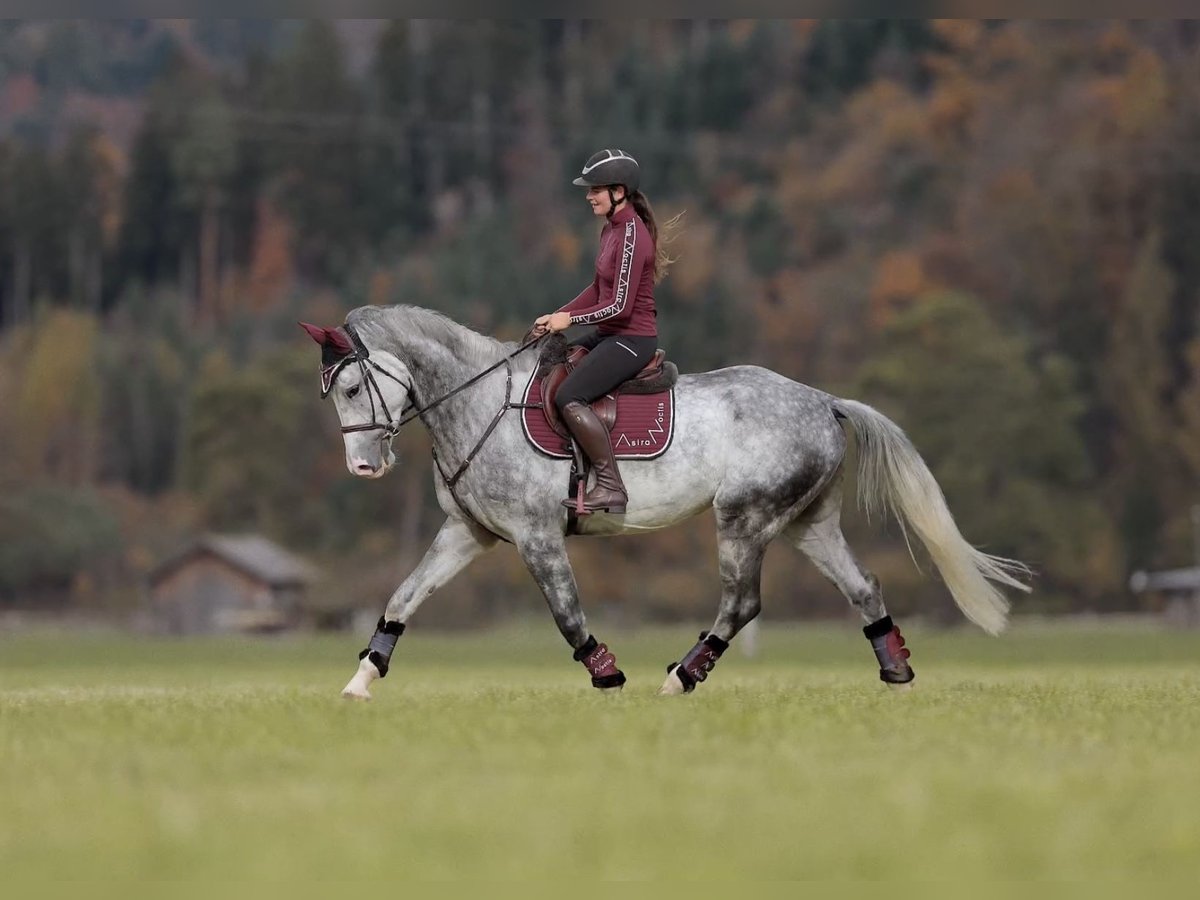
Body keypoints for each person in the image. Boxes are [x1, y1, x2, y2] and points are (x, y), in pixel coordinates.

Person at [532, 149, 673, 515]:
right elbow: (597, 290)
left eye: (595, 190)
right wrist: (557, 315)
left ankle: (611, 487)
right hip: (611, 334)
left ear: (619, 191)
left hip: (632, 340)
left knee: (569, 396)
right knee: (555, 364)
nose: (588, 196)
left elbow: (620, 307)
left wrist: (571, 322)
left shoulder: (632, 236)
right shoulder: (611, 229)